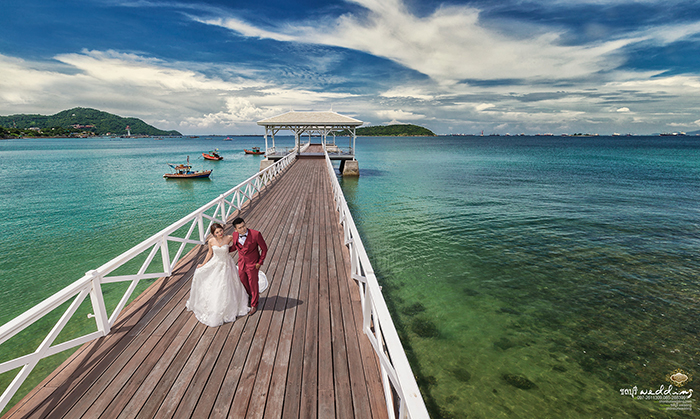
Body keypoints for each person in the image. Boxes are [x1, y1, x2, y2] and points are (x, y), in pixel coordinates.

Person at [186, 223, 250, 327]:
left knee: (229, 284)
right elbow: (209, 253)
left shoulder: (229, 237)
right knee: (211, 282)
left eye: (220, 230)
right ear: (213, 234)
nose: (220, 233)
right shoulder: (211, 241)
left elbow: (240, 243)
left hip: (227, 264)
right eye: (217, 232)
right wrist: (203, 264)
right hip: (216, 263)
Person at [230, 217, 267, 315]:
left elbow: (264, 249)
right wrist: (224, 249)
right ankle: (250, 295)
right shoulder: (234, 235)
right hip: (241, 263)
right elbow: (235, 247)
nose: (243, 229)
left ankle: (254, 304)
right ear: (235, 229)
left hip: (253, 264)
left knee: (253, 283)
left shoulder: (256, 234)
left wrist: (260, 262)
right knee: (243, 280)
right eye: (240, 228)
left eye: (244, 226)